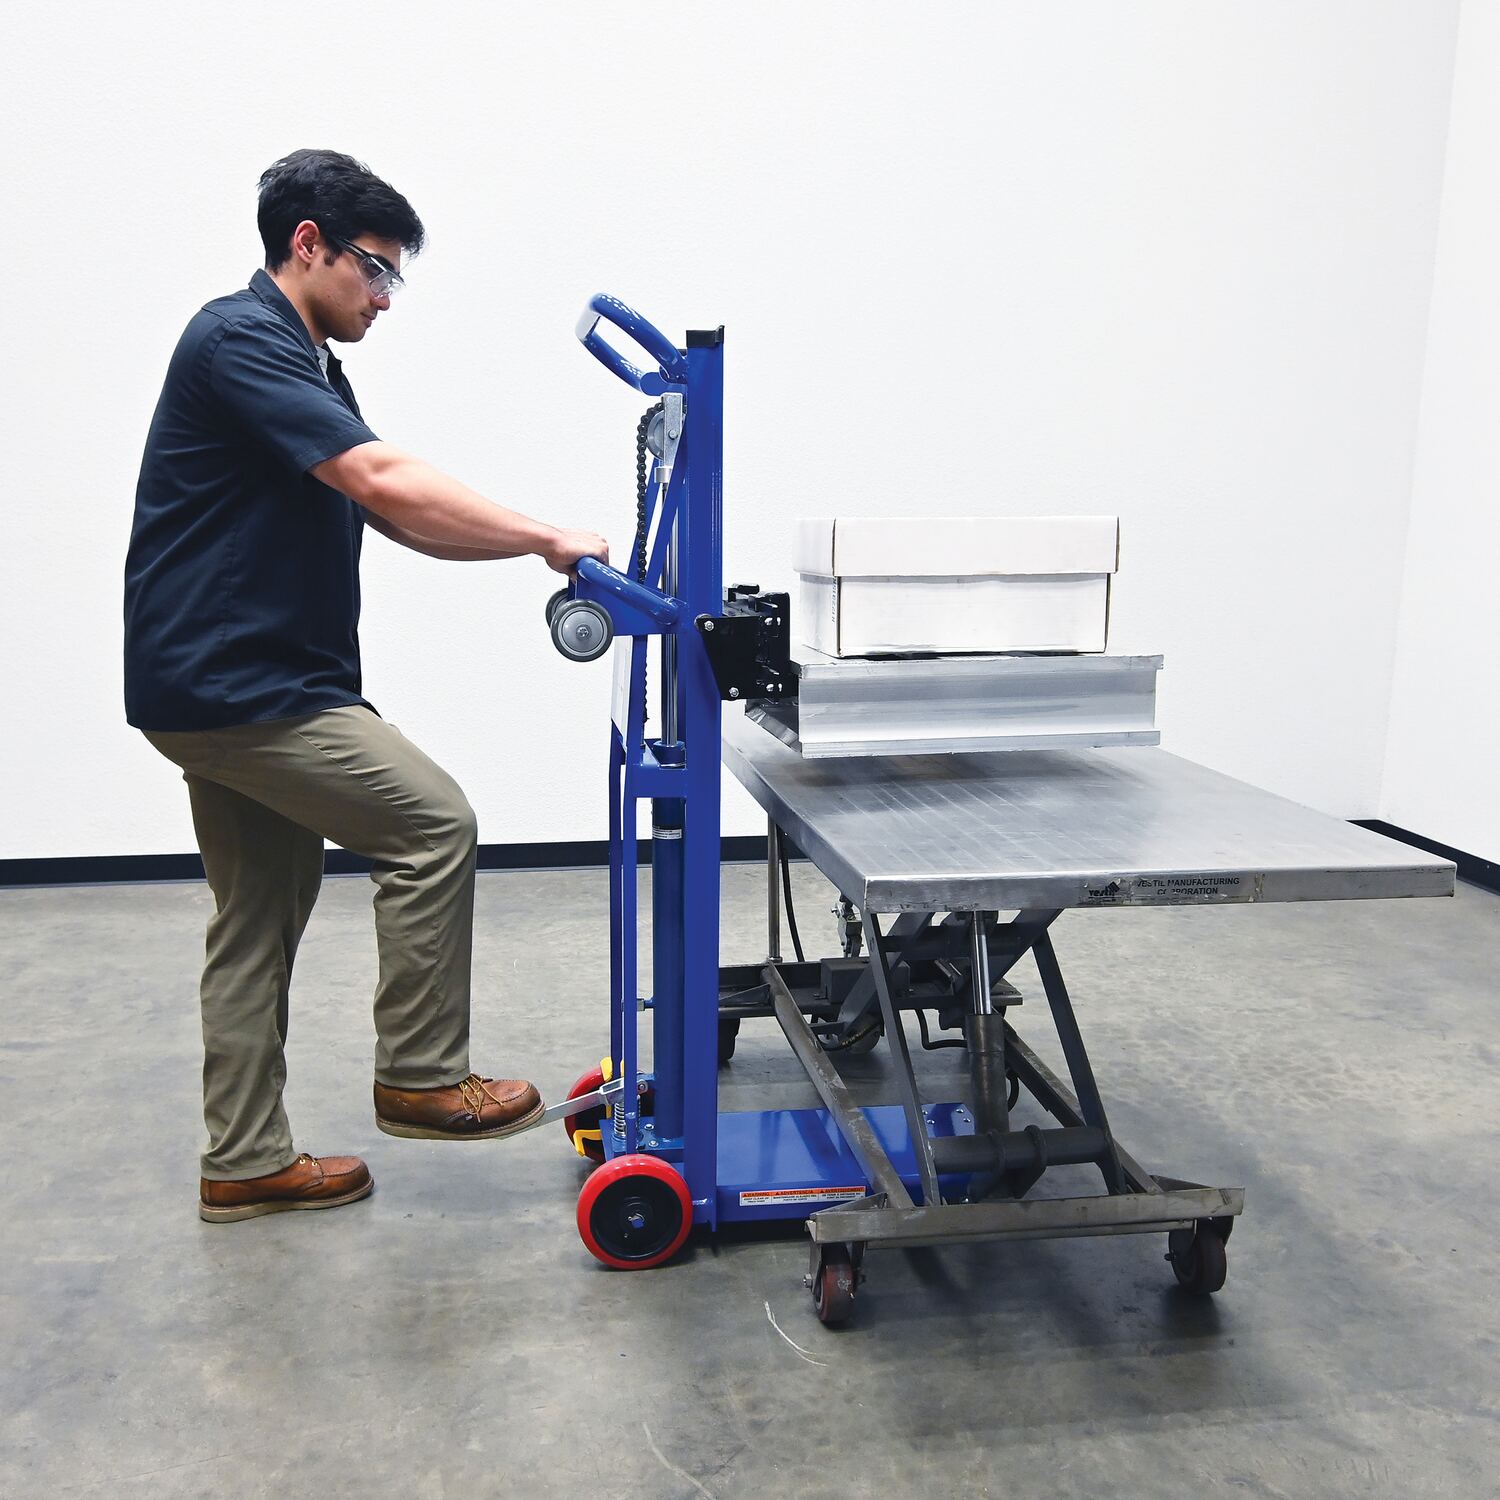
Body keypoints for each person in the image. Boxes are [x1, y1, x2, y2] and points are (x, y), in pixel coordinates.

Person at [123, 149, 608, 1223]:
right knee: (433, 824)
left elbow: (389, 511)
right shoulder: (241, 339)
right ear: (308, 245)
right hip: (244, 688)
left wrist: (526, 549)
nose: (384, 297)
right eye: (375, 270)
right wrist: (546, 536)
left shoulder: (303, 361)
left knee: (255, 919)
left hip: (223, 683)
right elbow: (382, 477)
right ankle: (423, 1076)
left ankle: (244, 1161)